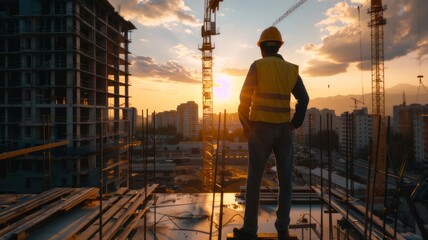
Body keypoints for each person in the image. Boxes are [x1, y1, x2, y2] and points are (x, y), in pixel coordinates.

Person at [234, 26, 309, 240]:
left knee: (254, 179)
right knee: (285, 180)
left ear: (261, 48)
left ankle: (250, 230)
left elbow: (244, 98)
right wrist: (294, 124)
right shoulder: (290, 69)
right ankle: (283, 228)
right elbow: (304, 99)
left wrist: (246, 125)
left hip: (260, 130)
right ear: (278, 46)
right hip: (284, 130)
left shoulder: (257, 66)